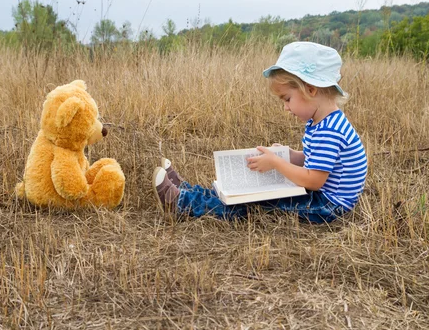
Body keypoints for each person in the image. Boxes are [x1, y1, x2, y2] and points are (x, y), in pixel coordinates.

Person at [152, 42, 368, 223]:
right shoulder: (323, 122)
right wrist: (291, 155)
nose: (286, 108)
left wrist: (277, 164)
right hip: (322, 197)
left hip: (327, 207)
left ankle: (182, 204)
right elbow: (316, 160)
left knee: (254, 204)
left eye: (287, 99)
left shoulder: (329, 130)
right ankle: (189, 192)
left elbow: (314, 180)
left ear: (310, 90)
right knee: (246, 194)